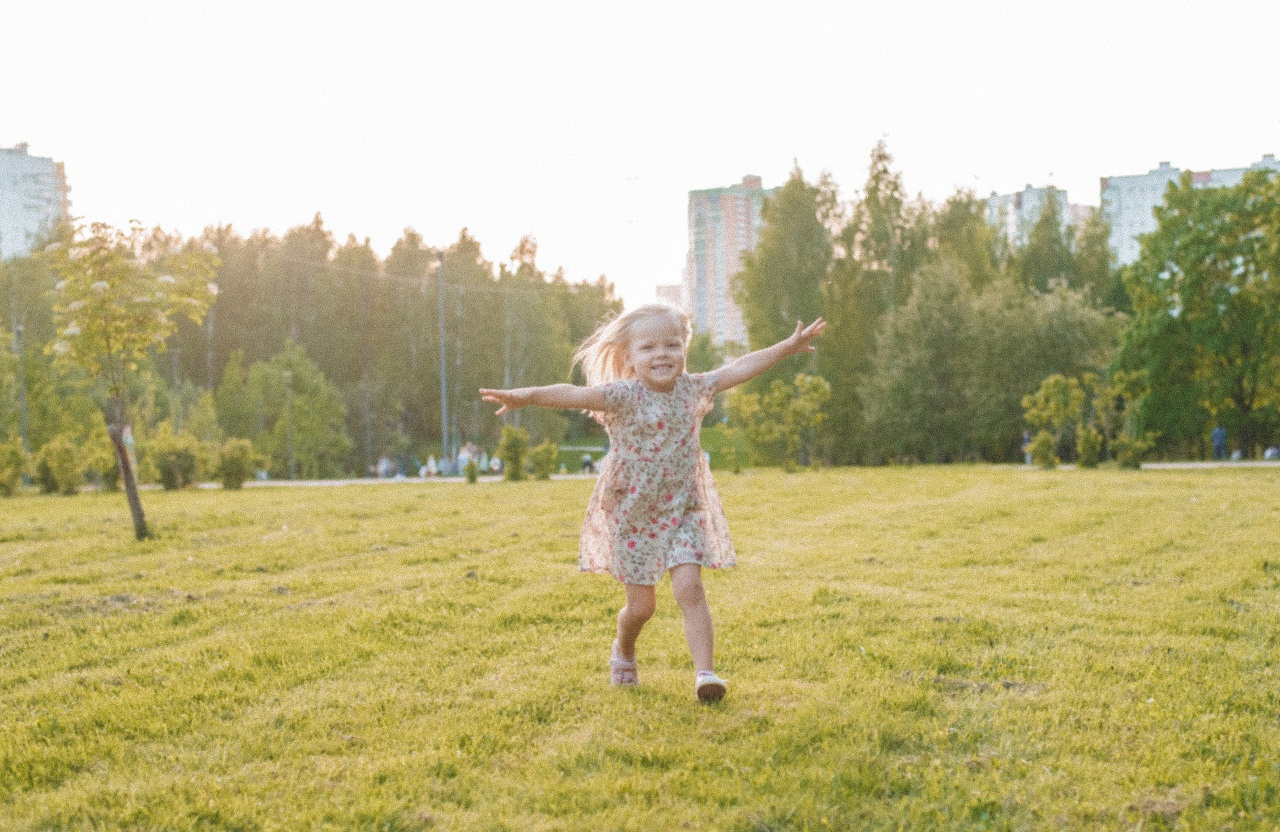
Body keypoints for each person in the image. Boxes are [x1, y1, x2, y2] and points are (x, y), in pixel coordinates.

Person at [480, 303, 825, 702]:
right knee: (641, 608)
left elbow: (739, 368)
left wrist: (786, 346)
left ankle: (705, 674)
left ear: (684, 349)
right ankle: (624, 649)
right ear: (628, 357)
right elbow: (573, 394)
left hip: (683, 508)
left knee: (690, 586)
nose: (661, 354)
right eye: (648, 348)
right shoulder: (622, 395)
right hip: (634, 513)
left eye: (671, 345)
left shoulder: (694, 388)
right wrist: (527, 396)